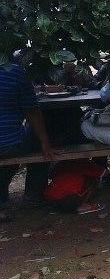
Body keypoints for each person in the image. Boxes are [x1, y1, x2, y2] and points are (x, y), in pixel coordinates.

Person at [0, 62, 54, 221]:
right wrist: (45, 142)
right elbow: (32, 111)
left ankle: (2, 199)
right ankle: (33, 196)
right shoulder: (16, 72)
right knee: (36, 141)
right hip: (8, 144)